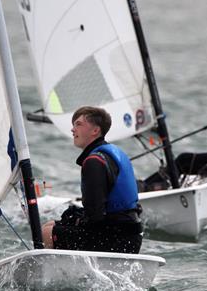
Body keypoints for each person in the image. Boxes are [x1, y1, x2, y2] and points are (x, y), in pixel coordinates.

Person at [41, 106, 144, 253]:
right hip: (130, 236)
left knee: (47, 233)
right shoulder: (113, 152)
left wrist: (77, 220)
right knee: (51, 225)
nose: (72, 129)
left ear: (95, 130)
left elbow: (95, 217)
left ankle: (50, 273)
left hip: (117, 239)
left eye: (78, 124)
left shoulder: (94, 161)